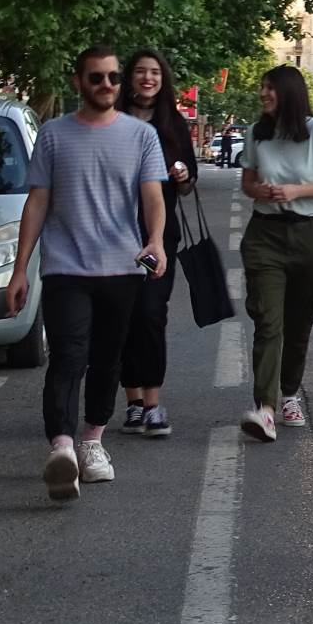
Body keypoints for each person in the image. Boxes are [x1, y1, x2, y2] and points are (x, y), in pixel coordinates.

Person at [5, 46, 170, 502]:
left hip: (122, 267)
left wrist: (154, 241)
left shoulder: (141, 136)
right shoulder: (55, 135)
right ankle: (61, 447)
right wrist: (20, 269)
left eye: (114, 78)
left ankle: (92, 441)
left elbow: (152, 196)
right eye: (97, 78)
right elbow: (37, 201)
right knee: (67, 357)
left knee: (108, 359)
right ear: (78, 81)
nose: (107, 86)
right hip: (65, 268)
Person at [237, 65, 313, 443]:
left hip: (308, 235)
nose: (263, 94)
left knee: (300, 319)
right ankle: (264, 409)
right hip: (265, 234)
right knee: (268, 321)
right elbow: (248, 183)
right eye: (262, 87)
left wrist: (296, 191)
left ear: (288, 92)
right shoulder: (257, 133)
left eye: (270, 88)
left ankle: (288, 393)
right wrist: (263, 192)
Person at [116, 49, 198, 439]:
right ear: (128, 78)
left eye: (154, 73)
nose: (147, 79)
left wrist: (180, 173)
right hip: (112, 237)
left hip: (155, 241)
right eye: (140, 72)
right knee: (122, 317)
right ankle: (132, 402)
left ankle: (152, 403)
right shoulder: (110, 120)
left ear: (162, 79)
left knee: (150, 313)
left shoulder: (173, 125)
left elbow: (189, 181)